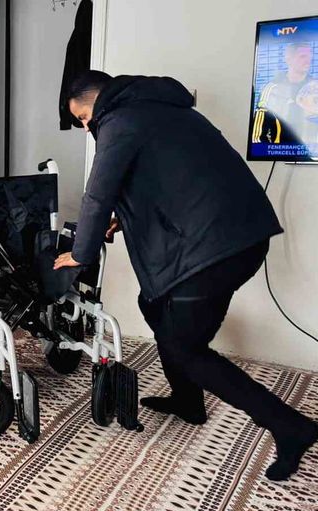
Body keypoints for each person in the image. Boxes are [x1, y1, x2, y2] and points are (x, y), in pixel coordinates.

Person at [53, 70, 318, 481]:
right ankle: (188, 400)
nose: (86, 127)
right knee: (153, 303)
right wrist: (122, 220)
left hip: (214, 251)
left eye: (84, 117)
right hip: (240, 237)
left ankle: (292, 428)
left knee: (187, 350)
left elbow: (98, 195)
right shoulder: (161, 108)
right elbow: (171, 181)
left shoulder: (119, 121)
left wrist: (79, 254)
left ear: (97, 101)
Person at [252, 42, 314, 145]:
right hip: (281, 150)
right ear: (289, 59)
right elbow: (257, 136)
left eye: (309, 56)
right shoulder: (271, 90)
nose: (308, 61)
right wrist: (268, 150)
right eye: (302, 56)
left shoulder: (315, 88)